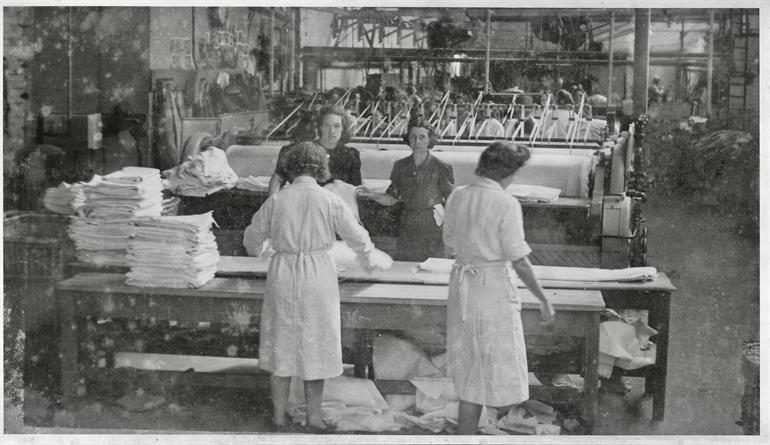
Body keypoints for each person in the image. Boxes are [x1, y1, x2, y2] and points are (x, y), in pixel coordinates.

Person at [243, 141, 381, 433]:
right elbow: (358, 236)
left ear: (290, 166)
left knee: (282, 344)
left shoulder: (278, 199)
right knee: (315, 346)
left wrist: (265, 249)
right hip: (318, 275)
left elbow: (251, 239)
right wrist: (371, 259)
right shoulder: (330, 199)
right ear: (321, 166)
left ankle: (279, 418)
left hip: (283, 272)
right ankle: (314, 418)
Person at [442, 142, 556, 435]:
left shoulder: (457, 195)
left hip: (462, 287)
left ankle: (467, 436)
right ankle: (490, 428)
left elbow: (450, 244)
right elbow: (519, 261)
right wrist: (543, 299)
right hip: (491, 290)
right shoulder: (506, 203)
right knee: (493, 367)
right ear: (507, 171)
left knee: (471, 372)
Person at [362, 120, 455, 261]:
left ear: (430, 140)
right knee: (406, 266)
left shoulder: (442, 167)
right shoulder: (400, 166)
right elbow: (391, 198)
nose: (417, 141)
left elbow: (451, 202)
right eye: (413, 137)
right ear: (408, 139)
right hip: (407, 226)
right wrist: (371, 194)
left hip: (432, 228)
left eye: (422, 137)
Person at [269, 105, 361, 194]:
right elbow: (278, 178)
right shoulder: (306, 151)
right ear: (320, 127)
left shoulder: (351, 155)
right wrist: (274, 201)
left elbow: (356, 189)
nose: (332, 131)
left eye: (336, 126)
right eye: (327, 126)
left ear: (343, 129)